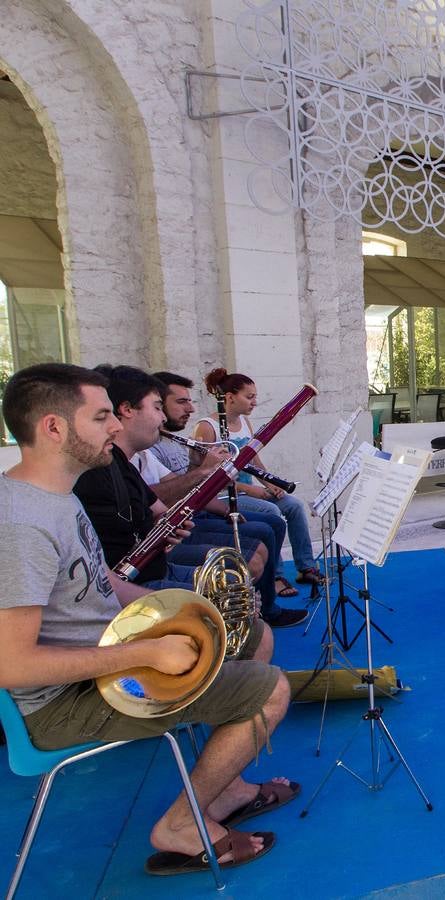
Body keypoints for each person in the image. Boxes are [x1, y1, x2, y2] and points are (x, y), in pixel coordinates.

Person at [0, 363, 294, 875]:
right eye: (99, 417)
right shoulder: (22, 525)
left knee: (248, 634)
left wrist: (189, 615)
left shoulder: (55, 496)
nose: (115, 426)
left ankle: (223, 793)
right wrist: (147, 651)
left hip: (104, 661)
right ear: (53, 427)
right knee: (270, 689)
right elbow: (12, 666)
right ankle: (181, 825)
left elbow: (101, 582)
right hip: (62, 705)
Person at [71, 367, 276, 613]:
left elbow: (160, 509)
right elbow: (107, 580)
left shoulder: (122, 463)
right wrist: (203, 473)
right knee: (247, 609)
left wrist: (168, 523)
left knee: (242, 586)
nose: (163, 418)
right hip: (138, 580)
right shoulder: (94, 472)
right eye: (158, 407)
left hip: (153, 565)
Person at [149, 371, 296, 604]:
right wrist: (211, 475)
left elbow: (188, 489)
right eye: (181, 402)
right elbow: (175, 492)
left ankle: (276, 592)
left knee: (282, 515)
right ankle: (265, 602)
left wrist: (264, 486)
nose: (191, 408)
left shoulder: (172, 443)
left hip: (199, 512)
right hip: (182, 528)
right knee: (269, 521)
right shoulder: (151, 449)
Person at [193, 368, 325, 591]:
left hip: (247, 491)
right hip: (223, 497)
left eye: (255, 396)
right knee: (271, 513)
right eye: (249, 396)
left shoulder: (244, 422)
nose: (255, 402)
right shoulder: (207, 427)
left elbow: (253, 458)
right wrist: (249, 489)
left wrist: (270, 484)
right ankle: (275, 576)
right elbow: (207, 475)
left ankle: (306, 566)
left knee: (293, 506)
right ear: (230, 398)